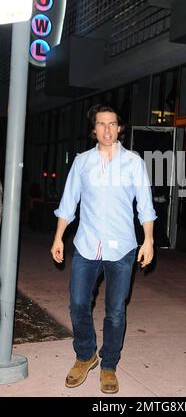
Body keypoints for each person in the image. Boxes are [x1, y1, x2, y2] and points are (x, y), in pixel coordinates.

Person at [51, 104, 156, 394]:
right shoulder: (82, 162)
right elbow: (68, 202)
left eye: (112, 124)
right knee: (78, 303)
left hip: (122, 247)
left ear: (120, 128)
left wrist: (148, 240)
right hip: (86, 245)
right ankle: (85, 355)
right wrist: (58, 237)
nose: (107, 129)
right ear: (94, 129)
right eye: (101, 124)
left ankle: (109, 364)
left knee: (115, 311)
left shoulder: (133, 163)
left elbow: (145, 206)